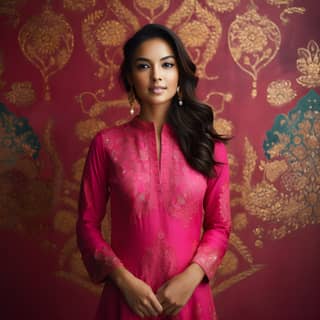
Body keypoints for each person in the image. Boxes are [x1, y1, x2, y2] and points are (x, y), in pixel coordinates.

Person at [76, 23, 231, 319]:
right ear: (130, 78)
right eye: (144, 66)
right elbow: (86, 224)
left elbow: (220, 226)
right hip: (127, 299)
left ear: (180, 73)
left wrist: (192, 277)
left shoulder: (207, 146)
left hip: (189, 300)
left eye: (167, 65)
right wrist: (123, 280)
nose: (157, 76)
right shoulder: (107, 144)